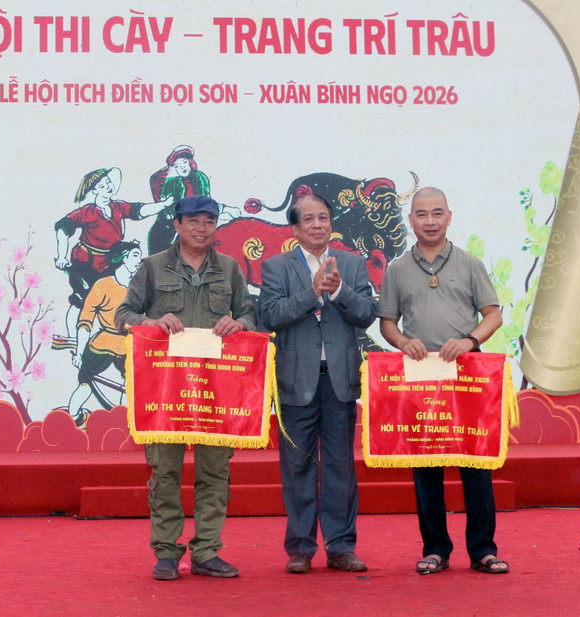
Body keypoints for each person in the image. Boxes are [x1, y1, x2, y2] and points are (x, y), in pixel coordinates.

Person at [114, 195, 257, 581]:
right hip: (166, 389)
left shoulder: (229, 268)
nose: (201, 228)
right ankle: (165, 551)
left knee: (215, 471)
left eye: (209, 221)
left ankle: (207, 550)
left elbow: (249, 313)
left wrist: (239, 324)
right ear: (177, 224)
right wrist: (152, 322)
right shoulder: (152, 266)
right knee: (165, 471)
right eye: (193, 220)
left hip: (215, 389)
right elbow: (122, 315)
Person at [378, 186, 509, 575]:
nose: (430, 221)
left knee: (475, 464)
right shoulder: (397, 269)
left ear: (449, 217)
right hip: (421, 376)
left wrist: (469, 341)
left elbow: (493, 314)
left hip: (466, 375)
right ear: (411, 220)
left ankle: (483, 550)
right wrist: (403, 342)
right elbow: (387, 323)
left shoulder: (470, 263)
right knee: (427, 467)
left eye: (437, 213)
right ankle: (435, 549)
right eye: (422, 214)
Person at [258, 194, 377, 574]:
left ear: (331, 224)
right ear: (295, 229)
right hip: (296, 380)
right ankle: (300, 548)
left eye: (323, 218)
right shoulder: (276, 267)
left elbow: (367, 314)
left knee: (341, 466)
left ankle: (341, 547)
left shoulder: (352, 265)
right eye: (308, 219)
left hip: (340, 380)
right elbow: (270, 316)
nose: (317, 225)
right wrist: (312, 293)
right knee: (297, 467)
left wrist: (339, 291)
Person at [54, 167, 172, 338]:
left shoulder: (117, 206)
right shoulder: (87, 211)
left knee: (114, 296)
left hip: (108, 262)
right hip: (85, 263)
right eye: (102, 186)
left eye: (108, 182)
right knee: (82, 299)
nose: (108, 187)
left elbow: (139, 211)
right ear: (95, 190)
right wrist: (61, 256)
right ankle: (72, 337)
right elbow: (63, 229)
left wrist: (163, 205)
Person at [65, 241, 142, 426]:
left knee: (130, 387)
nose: (139, 261)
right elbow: (85, 322)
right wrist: (79, 353)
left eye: (140, 256)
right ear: (123, 258)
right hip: (102, 344)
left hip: (129, 346)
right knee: (85, 384)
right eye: (135, 256)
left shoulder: (140, 288)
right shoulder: (104, 285)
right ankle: (73, 417)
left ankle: (125, 424)